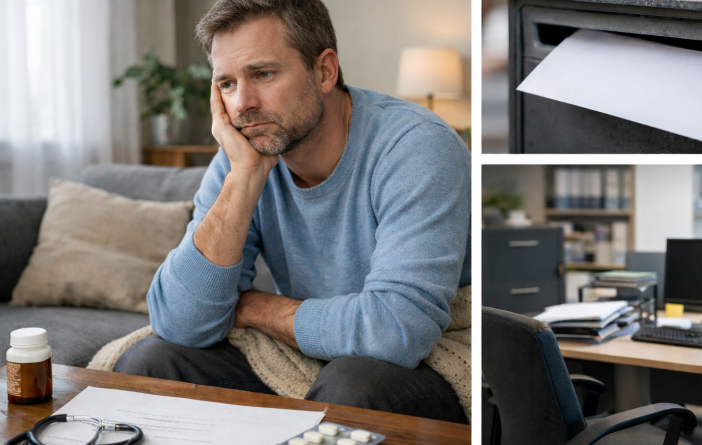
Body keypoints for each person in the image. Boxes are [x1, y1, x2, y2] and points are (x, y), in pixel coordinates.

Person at [114, 0, 471, 423]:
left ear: (324, 71)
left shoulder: (416, 147)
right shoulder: (242, 156)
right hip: (310, 344)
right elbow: (179, 321)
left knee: (351, 385)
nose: (242, 103)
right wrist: (244, 180)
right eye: (226, 83)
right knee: (154, 362)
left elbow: (396, 331)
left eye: (262, 74)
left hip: (432, 355)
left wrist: (251, 307)